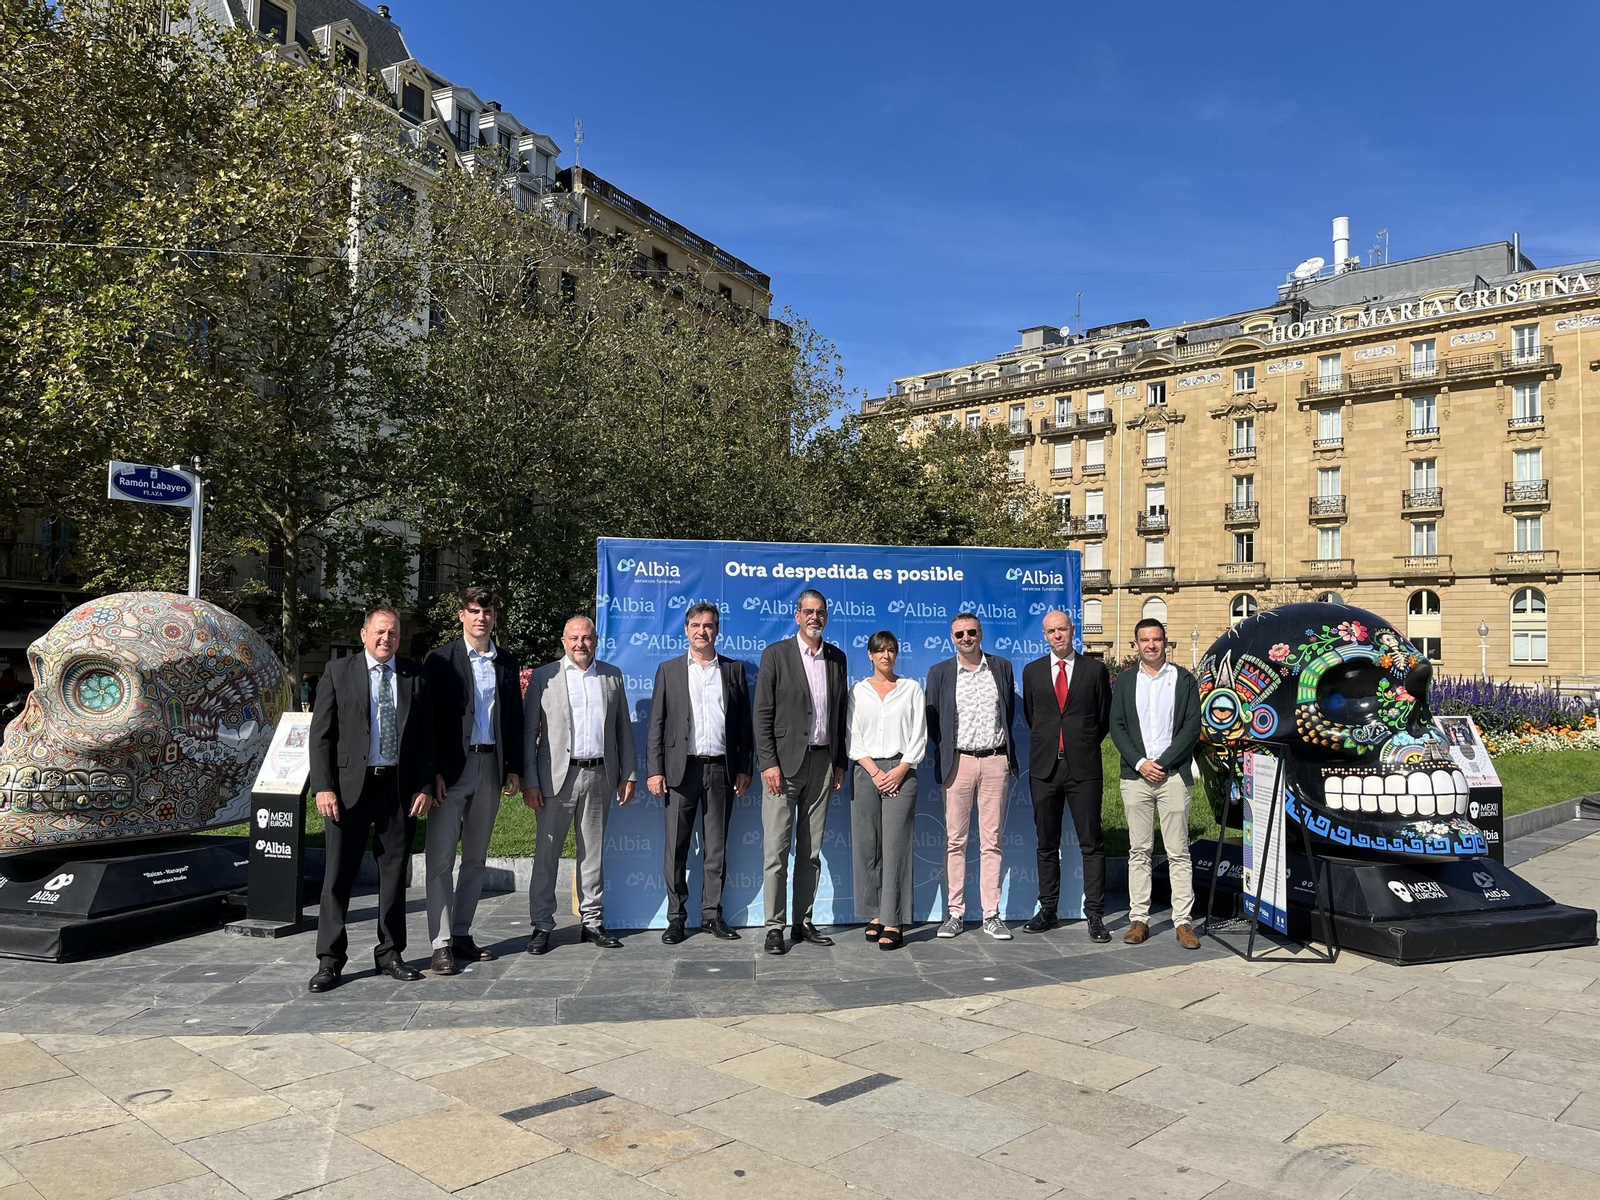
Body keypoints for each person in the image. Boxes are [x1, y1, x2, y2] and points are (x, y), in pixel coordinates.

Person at [307, 606, 435, 993]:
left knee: (394, 875)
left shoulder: (415, 675)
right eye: (380, 632)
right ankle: (330, 960)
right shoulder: (338, 672)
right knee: (338, 876)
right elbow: (321, 734)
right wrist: (323, 786)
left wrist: (425, 785)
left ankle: (391, 953)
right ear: (364, 634)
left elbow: (428, 738)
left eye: (393, 633)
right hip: (348, 789)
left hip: (398, 789)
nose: (386, 639)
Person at [422, 587, 524, 975]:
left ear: (495, 617)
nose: (481, 617)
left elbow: (513, 718)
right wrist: (430, 772)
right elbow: (427, 721)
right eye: (474, 611)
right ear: (462, 615)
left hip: (490, 767)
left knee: (476, 859)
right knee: (441, 858)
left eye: (488, 611)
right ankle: (441, 943)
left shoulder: (506, 662)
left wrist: (514, 766)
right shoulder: (440, 660)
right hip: (451, 772)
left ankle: (462, 933)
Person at [523, 616, 636, 953]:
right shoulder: (545, 677)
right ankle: (542, 924)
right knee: (547, 854)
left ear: (596, 640)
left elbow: (623, 731)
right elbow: (529, 733)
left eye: (586, 638)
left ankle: (592, 922)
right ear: (563, 641)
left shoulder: (611, 676)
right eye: (574, 638)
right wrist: (530, 779)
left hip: (600, 774)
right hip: (554, 778)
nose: (580, 644)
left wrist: (628, 773)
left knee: (593, 853)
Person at [646, 602, 753, 944]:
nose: (702, 631)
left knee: (716, 848)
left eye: (708, 625)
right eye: (696, 625)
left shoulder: (733, 671)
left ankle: (711, 915)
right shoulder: (670, 670)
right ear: (686, 629)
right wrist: (654, 770)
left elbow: (744, 728)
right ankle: (676, 918)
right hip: (681, 771)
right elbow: (656, 726)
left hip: (721, 770)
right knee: (676, 848)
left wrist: (744, 767)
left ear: (717, 631)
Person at [752, 589, 848, 956]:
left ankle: (803, 921)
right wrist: (768, 763)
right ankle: (774, 926)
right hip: (784, 765)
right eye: (808, 611)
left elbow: (839, 716)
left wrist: (840, 762)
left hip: (823, 762)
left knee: (811, 851)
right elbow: (762, 714)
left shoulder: (837, 658)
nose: (814, 617)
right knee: (776, 850)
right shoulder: (776, 655)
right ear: (797, 616)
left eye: (820, 612)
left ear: (826, 616)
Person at [1109, 618, 1202, 950]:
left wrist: (1161, 764)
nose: (1151, 645)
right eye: (1144, 640)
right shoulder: (1125, 682)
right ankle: (1140, 919)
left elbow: (1192, 727)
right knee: (1139, 850)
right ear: (1136, 644)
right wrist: (1140, 763)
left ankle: (1183, 922)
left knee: (1178, 851)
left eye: (1157, 639)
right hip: (1136, 777)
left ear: (1166, 642)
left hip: (1173, 776)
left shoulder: (1183, 680)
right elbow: (1116, 726)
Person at [1021, 609, 1113, 942]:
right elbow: (1034, 717)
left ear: (1073, 630)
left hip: (1084, 768)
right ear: (1044, 635)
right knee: (1046, 844)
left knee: (1092, 844)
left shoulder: (1094, 670)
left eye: (1062, 629)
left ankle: (1096, 916)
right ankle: (1048, 910)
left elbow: (1102, 719)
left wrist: (1079, 744)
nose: (1058, 635)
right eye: (1051, 631)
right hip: (1045, 769)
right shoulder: (1031, 672)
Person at [925, 612, 1018, 940]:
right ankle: (955, 913)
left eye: (972, 632)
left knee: (992, 841)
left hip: (995, 761)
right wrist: (953, 753)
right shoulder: (939, 673)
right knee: (955, 841)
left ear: (981, 634)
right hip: (958, 763)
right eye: (960, 634)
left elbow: (1008, 711)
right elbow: (935, 724)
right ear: (952, 638)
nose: (966, 638)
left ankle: (991, 914)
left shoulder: (1001, 668)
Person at [847, 631, 926, 950]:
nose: (886, 656)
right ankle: (876, 913)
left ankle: (893, 920)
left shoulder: (911, 689)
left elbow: (919, 734)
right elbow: (852, 736)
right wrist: (875, 771)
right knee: (868, 846)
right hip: (867, 772)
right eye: (879, 650)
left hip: (901, 772)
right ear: (869, 655)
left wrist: (899, 770)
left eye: (891, 650)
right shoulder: (858, 691)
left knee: (896, 848)